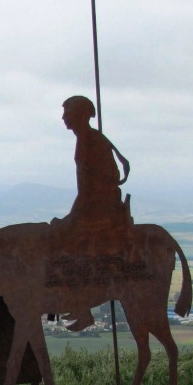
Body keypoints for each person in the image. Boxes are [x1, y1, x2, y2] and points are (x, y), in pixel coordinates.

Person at [53, 95, 132, 331]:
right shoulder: (88, 138)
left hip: (100, 209)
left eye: (67, 112)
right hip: (95, 206)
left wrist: (72, 218)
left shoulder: (90, 140)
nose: (63, 117)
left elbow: (91, 189)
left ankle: (82, 306)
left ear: (79, 115)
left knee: (64, 243)